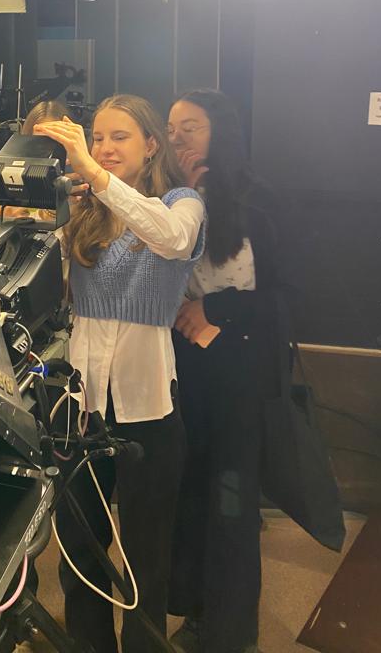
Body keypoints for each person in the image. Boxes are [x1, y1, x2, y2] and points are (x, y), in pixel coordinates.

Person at [34, 95, 205, 653]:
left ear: (152, 144)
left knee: (145, 561)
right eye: (97, 137)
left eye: (119, 137)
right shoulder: (84, 206)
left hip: (149, 411)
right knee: (80, 554)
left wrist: (93, 174)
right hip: (82, 410)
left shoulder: (182, 202)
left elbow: (172, 238)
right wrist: (41, 211)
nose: (104, 147)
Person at [167, 90, 283, 653]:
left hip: (240, 375)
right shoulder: (170, 199)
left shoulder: (258, 200)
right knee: (189, 499)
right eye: (171, 128)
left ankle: (232, 635)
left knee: (232, 506)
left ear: (221, 131)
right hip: (184, 371)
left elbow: (285, 297)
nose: (178, 138)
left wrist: (216, 308)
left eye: (191, 126)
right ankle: (196, 615)